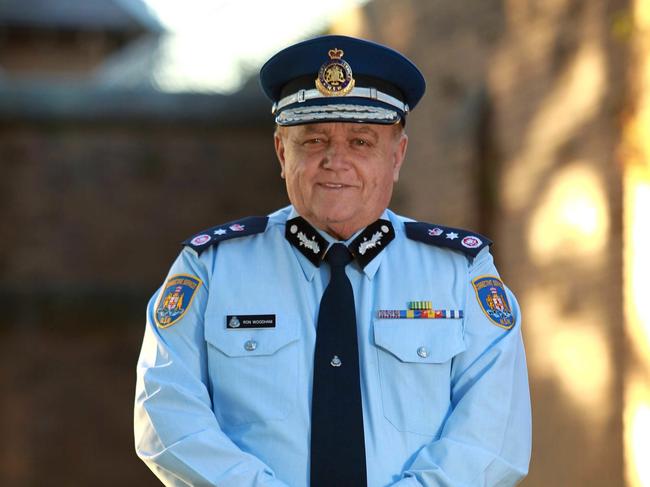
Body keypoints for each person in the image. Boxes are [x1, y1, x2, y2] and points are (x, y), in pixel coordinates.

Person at [134, 34, 531, 487]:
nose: (334, 161)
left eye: (361, 142)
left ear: (397, 156)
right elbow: (166, 415)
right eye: (314, 140)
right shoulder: (210, 269)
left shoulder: (459, 274)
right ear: (283, 153)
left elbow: (493, 435)